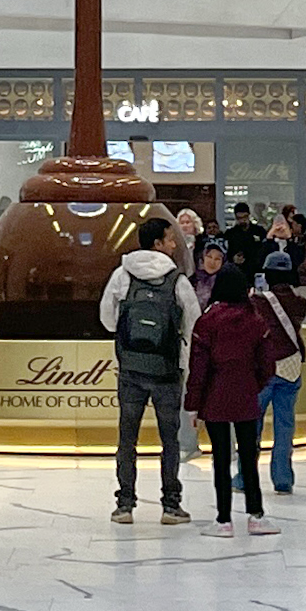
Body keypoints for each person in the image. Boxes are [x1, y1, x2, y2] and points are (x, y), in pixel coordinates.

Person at [186, 260, 294, 535]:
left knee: (220, 459)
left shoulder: (206, 322)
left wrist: (193, 405)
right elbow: (267, 364)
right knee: (249, 455)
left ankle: (223, 520)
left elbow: (198, 368)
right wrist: (253, 385)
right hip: (246, 395)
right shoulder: (256, 321)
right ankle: (256, 515)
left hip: (214, 397)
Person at [106, 218, 199, 527]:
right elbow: (193, 322)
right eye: (170, 239)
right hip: (167, 371)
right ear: (158, 243)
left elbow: (107, 319)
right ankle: (171, 506)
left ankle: (125, 506)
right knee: (169, 440)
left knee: (127, 438)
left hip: (130, 368)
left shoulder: (122, 275)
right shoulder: (178, 281)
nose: (174, 245)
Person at [253, 230, 306, 496]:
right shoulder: (300, 303)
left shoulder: (257, 301)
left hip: (263, 370)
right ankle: (283, 478)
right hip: (290, 368)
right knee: (285, 425)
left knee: (251, 426)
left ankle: (245, 477)